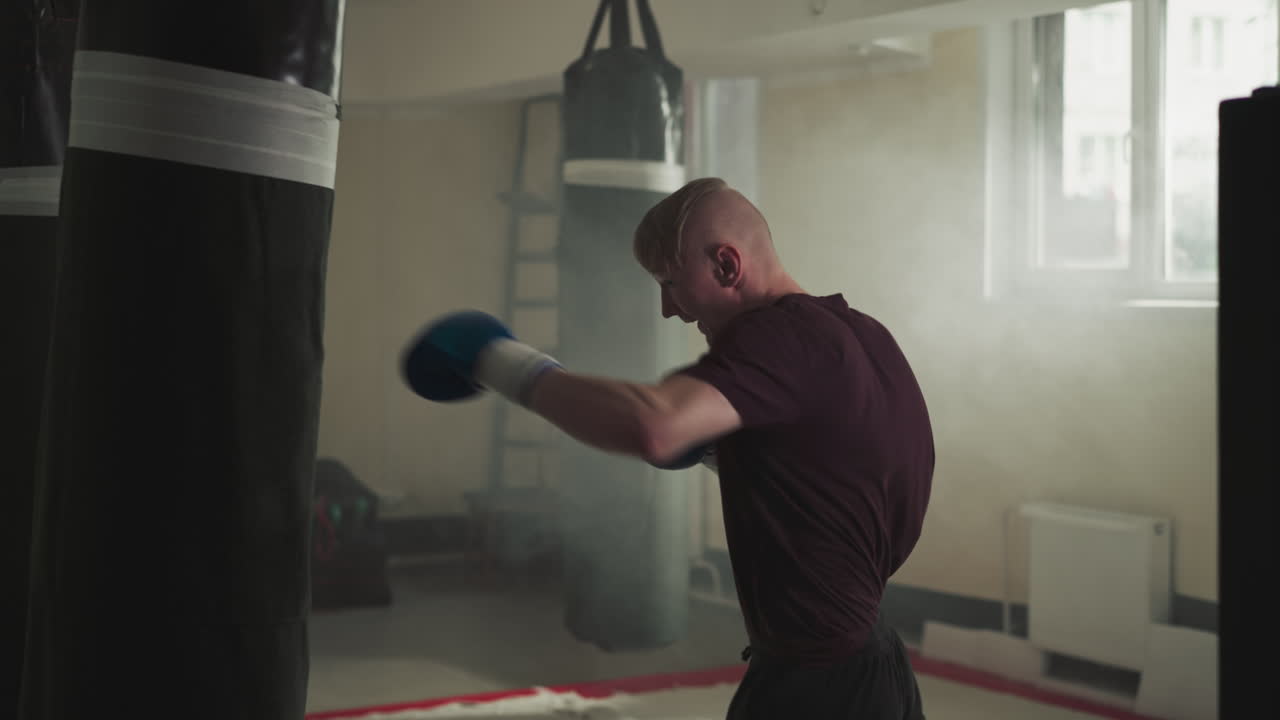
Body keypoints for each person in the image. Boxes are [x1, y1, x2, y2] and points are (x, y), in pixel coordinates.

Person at [402, 177, 933, 719]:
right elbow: (849, 472)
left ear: (727, 266)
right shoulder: (863, 336)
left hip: (823, 690)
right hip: (870, 666)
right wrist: (723, 453)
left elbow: (654, 427)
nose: (668, 310)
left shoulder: (779, 335)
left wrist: (498, 362)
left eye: (671, 283)